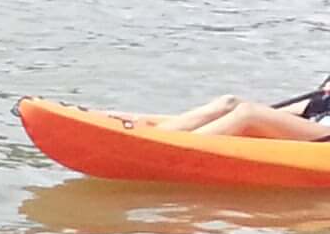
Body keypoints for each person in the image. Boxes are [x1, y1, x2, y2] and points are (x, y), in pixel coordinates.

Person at [108, 81, 330, 143]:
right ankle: (156, 137)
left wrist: (258, 114)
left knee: (249, 113)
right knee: (229, 102)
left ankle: (179, 149)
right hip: (313, 124)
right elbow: (304, 108)